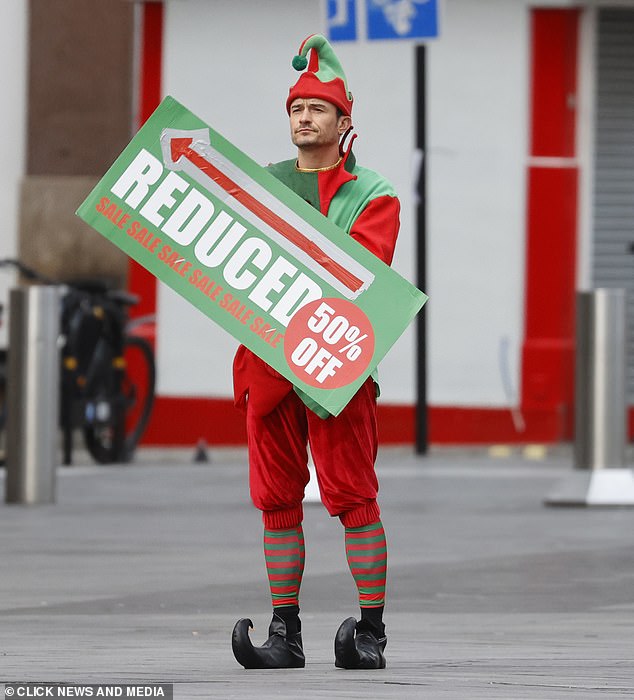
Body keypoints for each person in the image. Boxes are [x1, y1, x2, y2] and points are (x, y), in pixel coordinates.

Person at [231, 34, 400, 671]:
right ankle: (285, 632)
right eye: (297, 108)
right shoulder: (259, 185)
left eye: (318, 109)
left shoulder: (374, 194)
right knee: (276, 500)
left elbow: (364, 274)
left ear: (343, 120)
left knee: (354, 496)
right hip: (268, 368)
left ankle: (371, 632)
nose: (305, 118)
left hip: (338, 368)